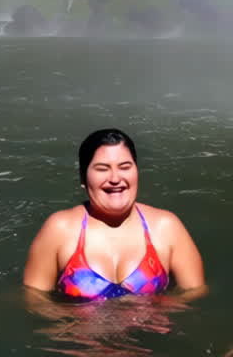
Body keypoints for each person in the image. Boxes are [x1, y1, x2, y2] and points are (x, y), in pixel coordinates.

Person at [23, 128, 205, 301]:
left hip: (151, 333)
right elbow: (35, 300)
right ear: (82, 178)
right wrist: (69, 320)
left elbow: (194, 293)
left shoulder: (166, 226)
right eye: (102, 169)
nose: (115, 178)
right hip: (81, 333)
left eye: (125, 167)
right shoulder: (59, 229)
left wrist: (159, 310)